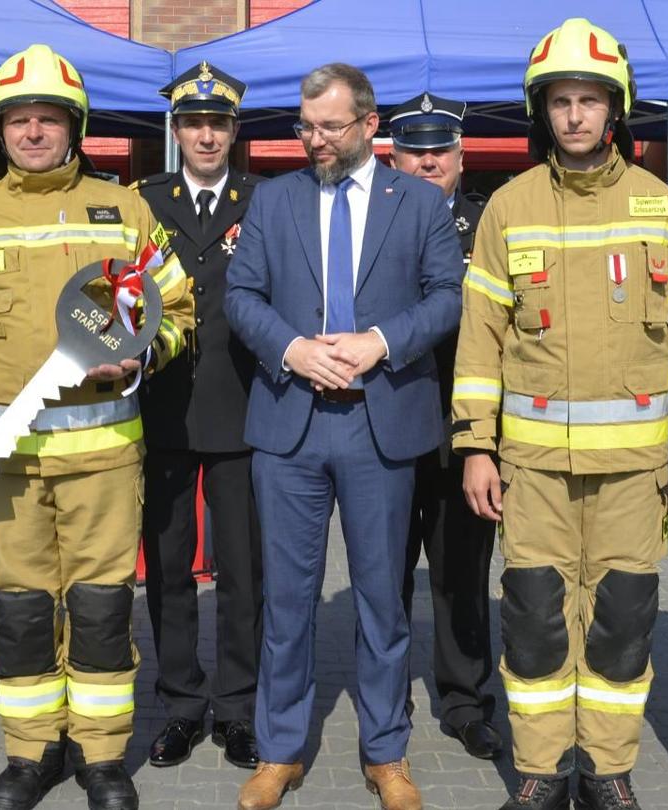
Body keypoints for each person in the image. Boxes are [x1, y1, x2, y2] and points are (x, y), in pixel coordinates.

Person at [0, 44, 195, 810]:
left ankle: (103, 760)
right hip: (4, 462)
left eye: (49, 119)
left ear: (76, 127)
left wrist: (135, 362)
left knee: (102, 608)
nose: (34, 133)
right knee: (23, 610)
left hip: (103, 458)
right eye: (20, 120)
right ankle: (31, 755)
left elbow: (180, 314)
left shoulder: (124, 209)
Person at [454, 21, 668, 810]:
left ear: (618, 109)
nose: (575, 116)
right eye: (561, 101)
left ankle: (607, 769)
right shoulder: (509, 208)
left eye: (590, 100)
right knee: (536, 617)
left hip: (636, 472)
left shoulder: (663, 209)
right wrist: (476, 447)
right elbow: (480, 343)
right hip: (531, 468)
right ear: (542, 111)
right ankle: (541, 770)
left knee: (621, 623)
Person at [224, 62, 460, 810]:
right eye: (305, 125)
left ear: (368, 124)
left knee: (381, 605)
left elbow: (446, 296)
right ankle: (280, 750)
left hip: (378, 423)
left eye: (328, 126)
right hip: (288, 424)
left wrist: (381, 342)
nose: (314, 139)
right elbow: (242, 294)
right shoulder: (273, 200)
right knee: (287, 602)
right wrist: (292, 350)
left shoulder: (418, 202)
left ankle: (386, 752)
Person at [132, 61, 265, 773]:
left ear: (234, 130)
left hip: (249, 410)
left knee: (246, 571)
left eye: (218, 123)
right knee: (170, 568)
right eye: (193, 123)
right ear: (175, 130)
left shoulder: (266, 199)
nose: (206, 134)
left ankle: (239, 709)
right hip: (166, 409)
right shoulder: (141, 202)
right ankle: (182, 705)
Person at [384, 90, 501, 763]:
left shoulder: (490, 227)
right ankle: (385, 695)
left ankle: (464, 701)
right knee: (384, 573)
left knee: (463, 574)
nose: (427, 164)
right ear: (393, 157)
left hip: (462, 435)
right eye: (413, 152)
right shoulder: (368, 225)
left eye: (439, 152)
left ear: (460, 158)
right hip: (390, 427)